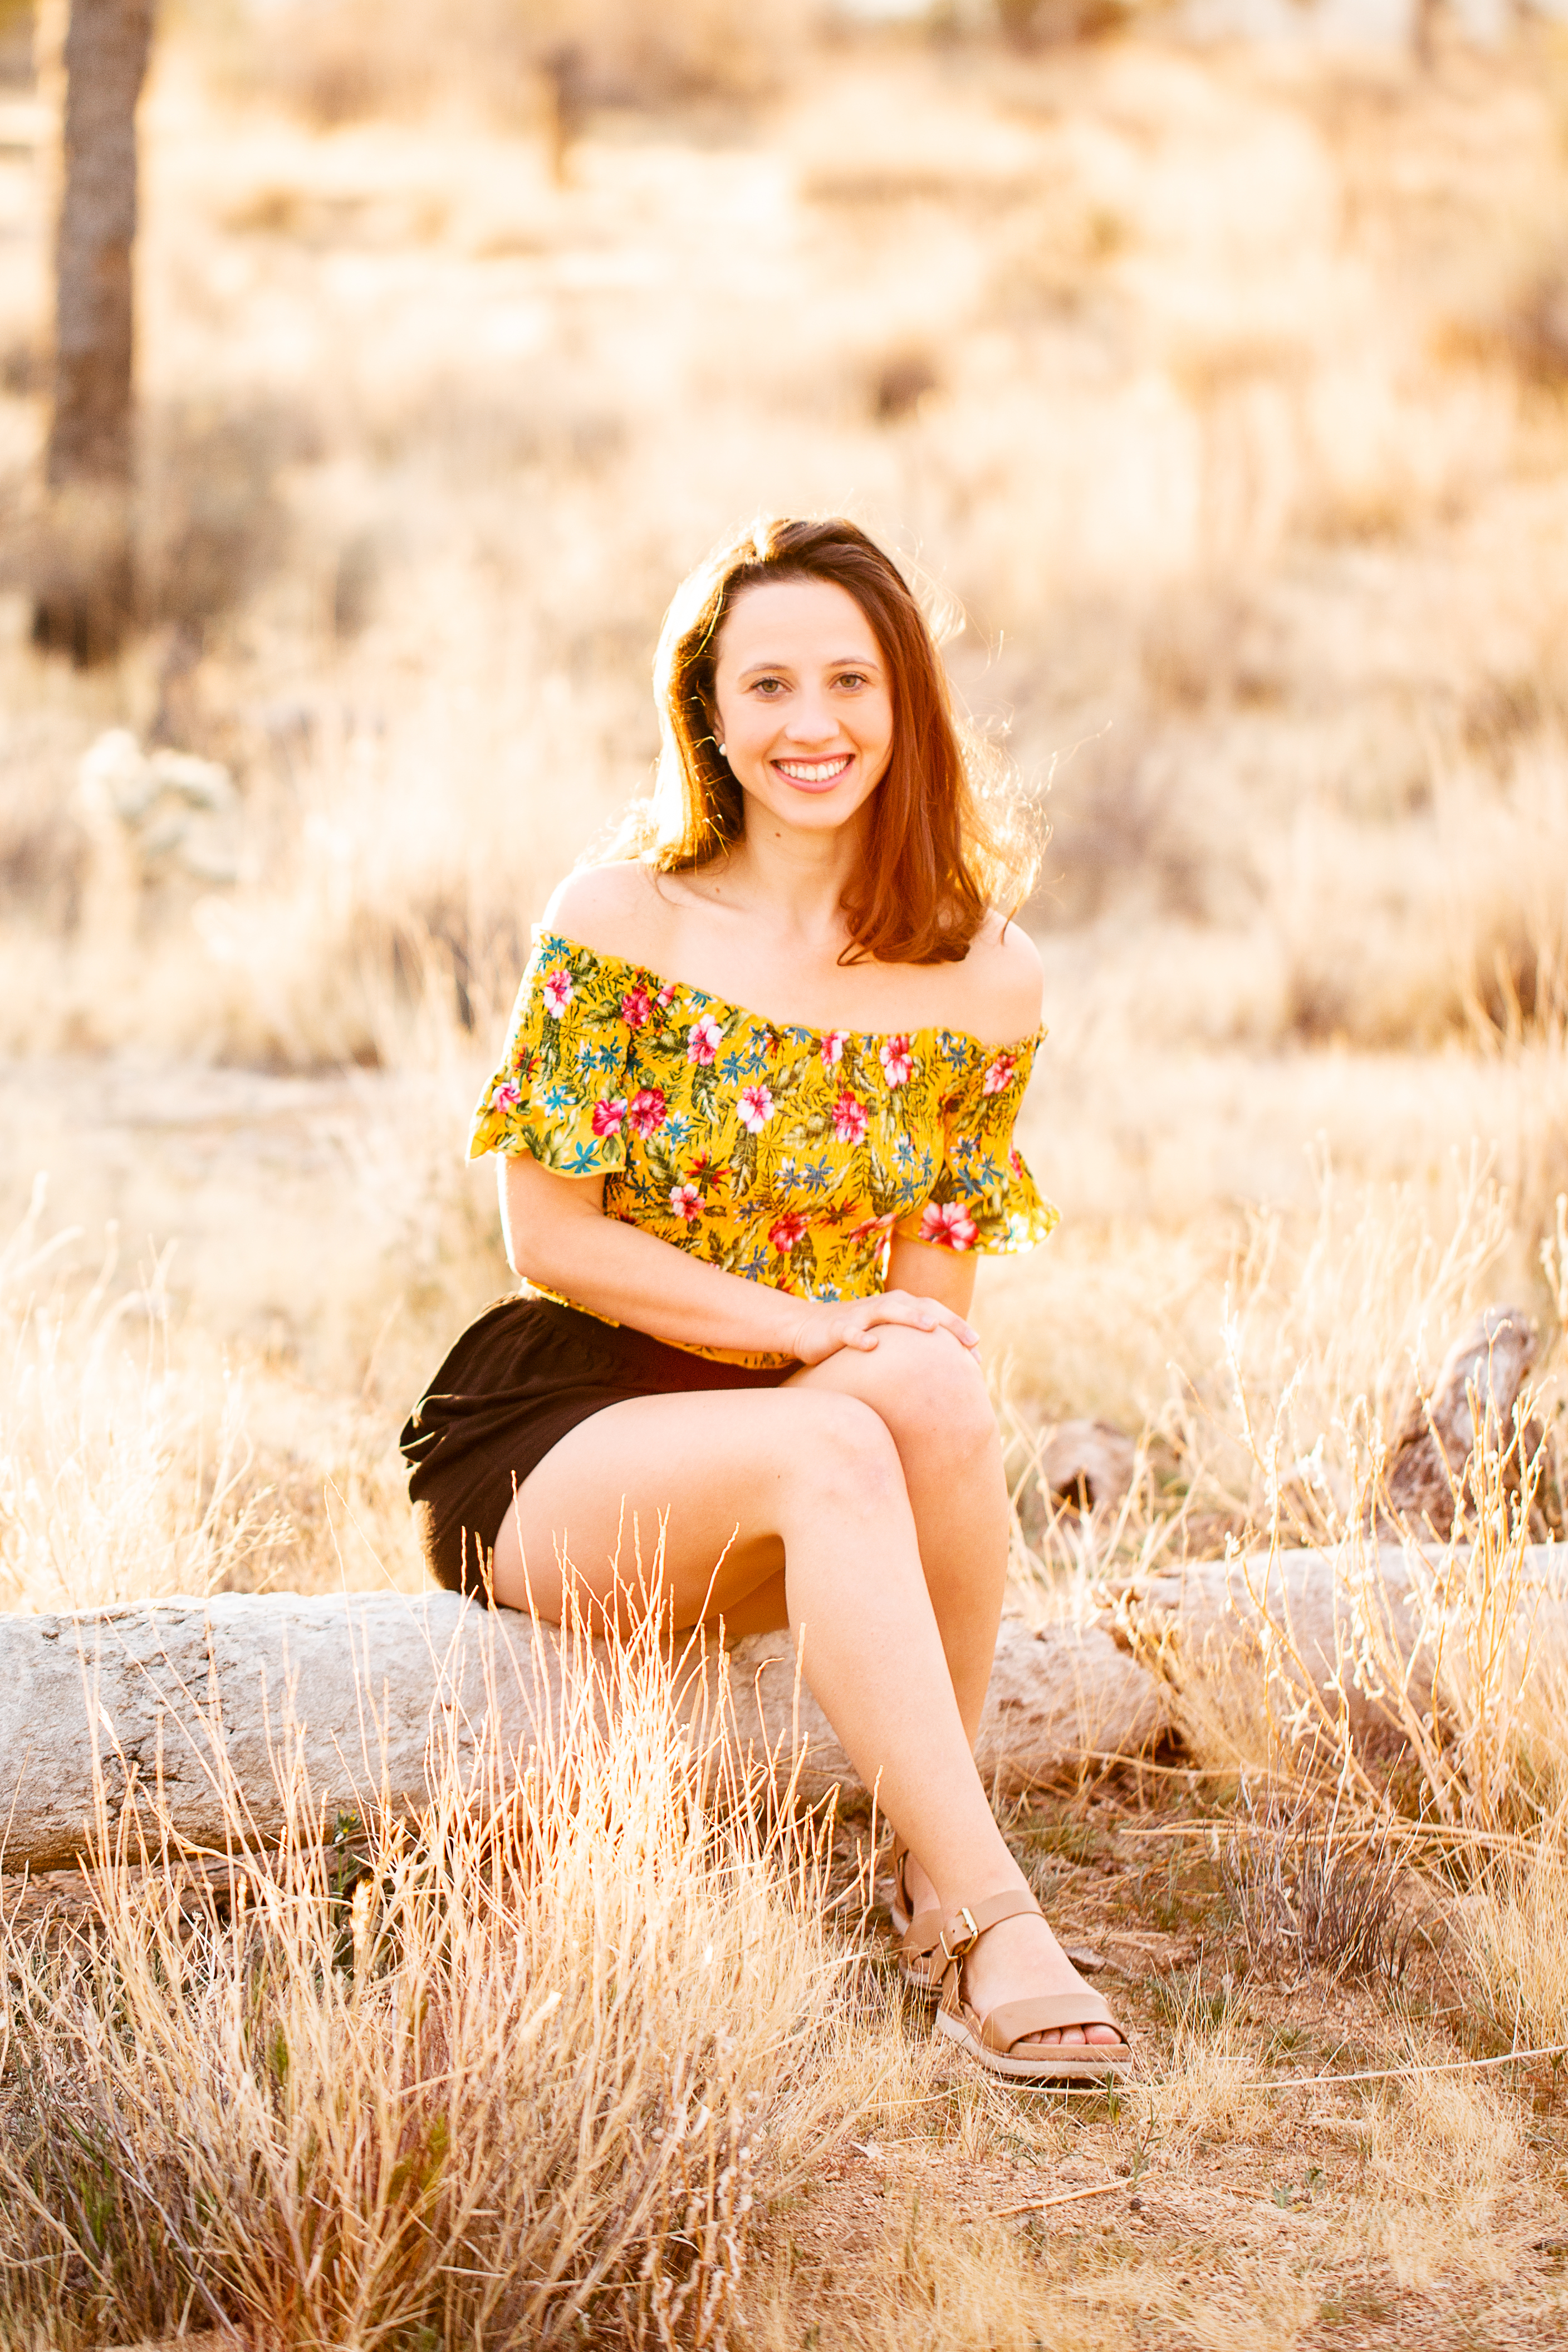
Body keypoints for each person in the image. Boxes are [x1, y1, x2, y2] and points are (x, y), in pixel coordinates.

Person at [400, 516, 1129, 2084]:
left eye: (851, 681)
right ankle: (991, 1912)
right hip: (565, 1434)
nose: (814, 726)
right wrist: (800, 1334)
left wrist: (862, 1367)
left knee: (932, 1385)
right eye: (771, 684)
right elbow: (551, 1240)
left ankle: (932, 1863)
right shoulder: (623, 921)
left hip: (795, 1453)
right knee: (835, 1441)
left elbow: (931, 1318)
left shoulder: (981, 978)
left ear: (906, 702)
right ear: (711, 714)